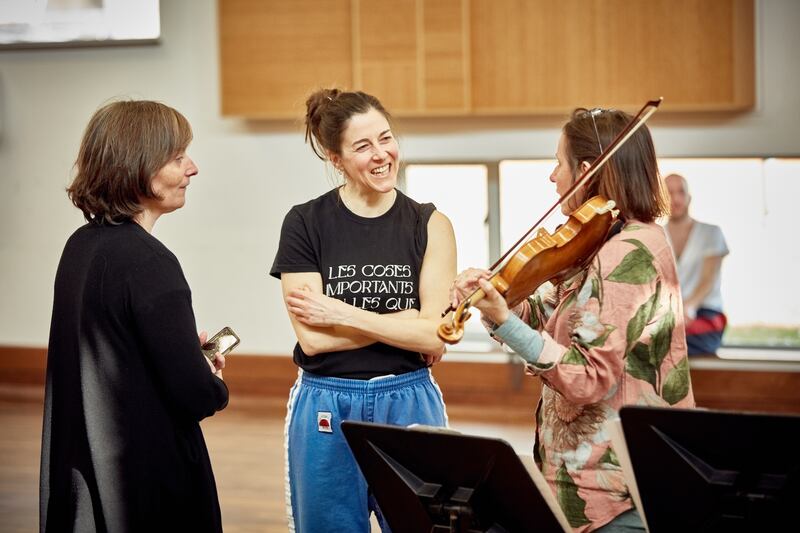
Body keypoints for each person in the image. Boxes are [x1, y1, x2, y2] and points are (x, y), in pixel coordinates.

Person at [452, 108, 695, 532]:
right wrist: (497, 303)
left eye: (558, 163)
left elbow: (589, 378)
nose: (552, 176)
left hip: (616, 489)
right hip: (583, 480)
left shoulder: (629, 253)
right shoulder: (598, 240)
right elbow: (545, 316)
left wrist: (504, 322)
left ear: (585, 171)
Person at [270, 88, 456, 532]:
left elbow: (435, 337)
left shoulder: (431, 224)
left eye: (386, 138)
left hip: (409, 397)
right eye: (363, 146)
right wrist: (410, 320)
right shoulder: (304, 223)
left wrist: (345, 314)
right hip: (326, 401)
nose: (381, 155)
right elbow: (313, 340)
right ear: (336, 159)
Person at [40, 101, 229, 532]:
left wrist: (181, 352)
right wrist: (211, 378)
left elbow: (115, 359)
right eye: (178, 157)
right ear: (138, 166)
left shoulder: (80, 246)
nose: (192, 168)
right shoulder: (150, 262)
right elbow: (194, 394)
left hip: (89, 474)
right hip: (145, 479)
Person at [664, 173, 729, 355]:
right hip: (669, 317)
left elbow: (708, 279)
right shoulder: (655, 236)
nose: (675, 199)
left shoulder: (711, 233)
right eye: (669, 193)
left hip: (704, 314)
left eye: (681, 192)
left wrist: (687, 307)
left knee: (669, 348)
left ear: (689, 197)